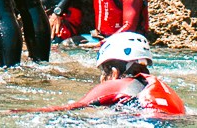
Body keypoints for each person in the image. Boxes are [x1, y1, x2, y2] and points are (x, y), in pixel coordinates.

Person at [23, 32, 185, 116]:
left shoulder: (117, 84)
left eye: (103, 72)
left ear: (113, 73)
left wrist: (17, 112)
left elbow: (70, 108)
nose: (101, 78)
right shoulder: (162, 89)